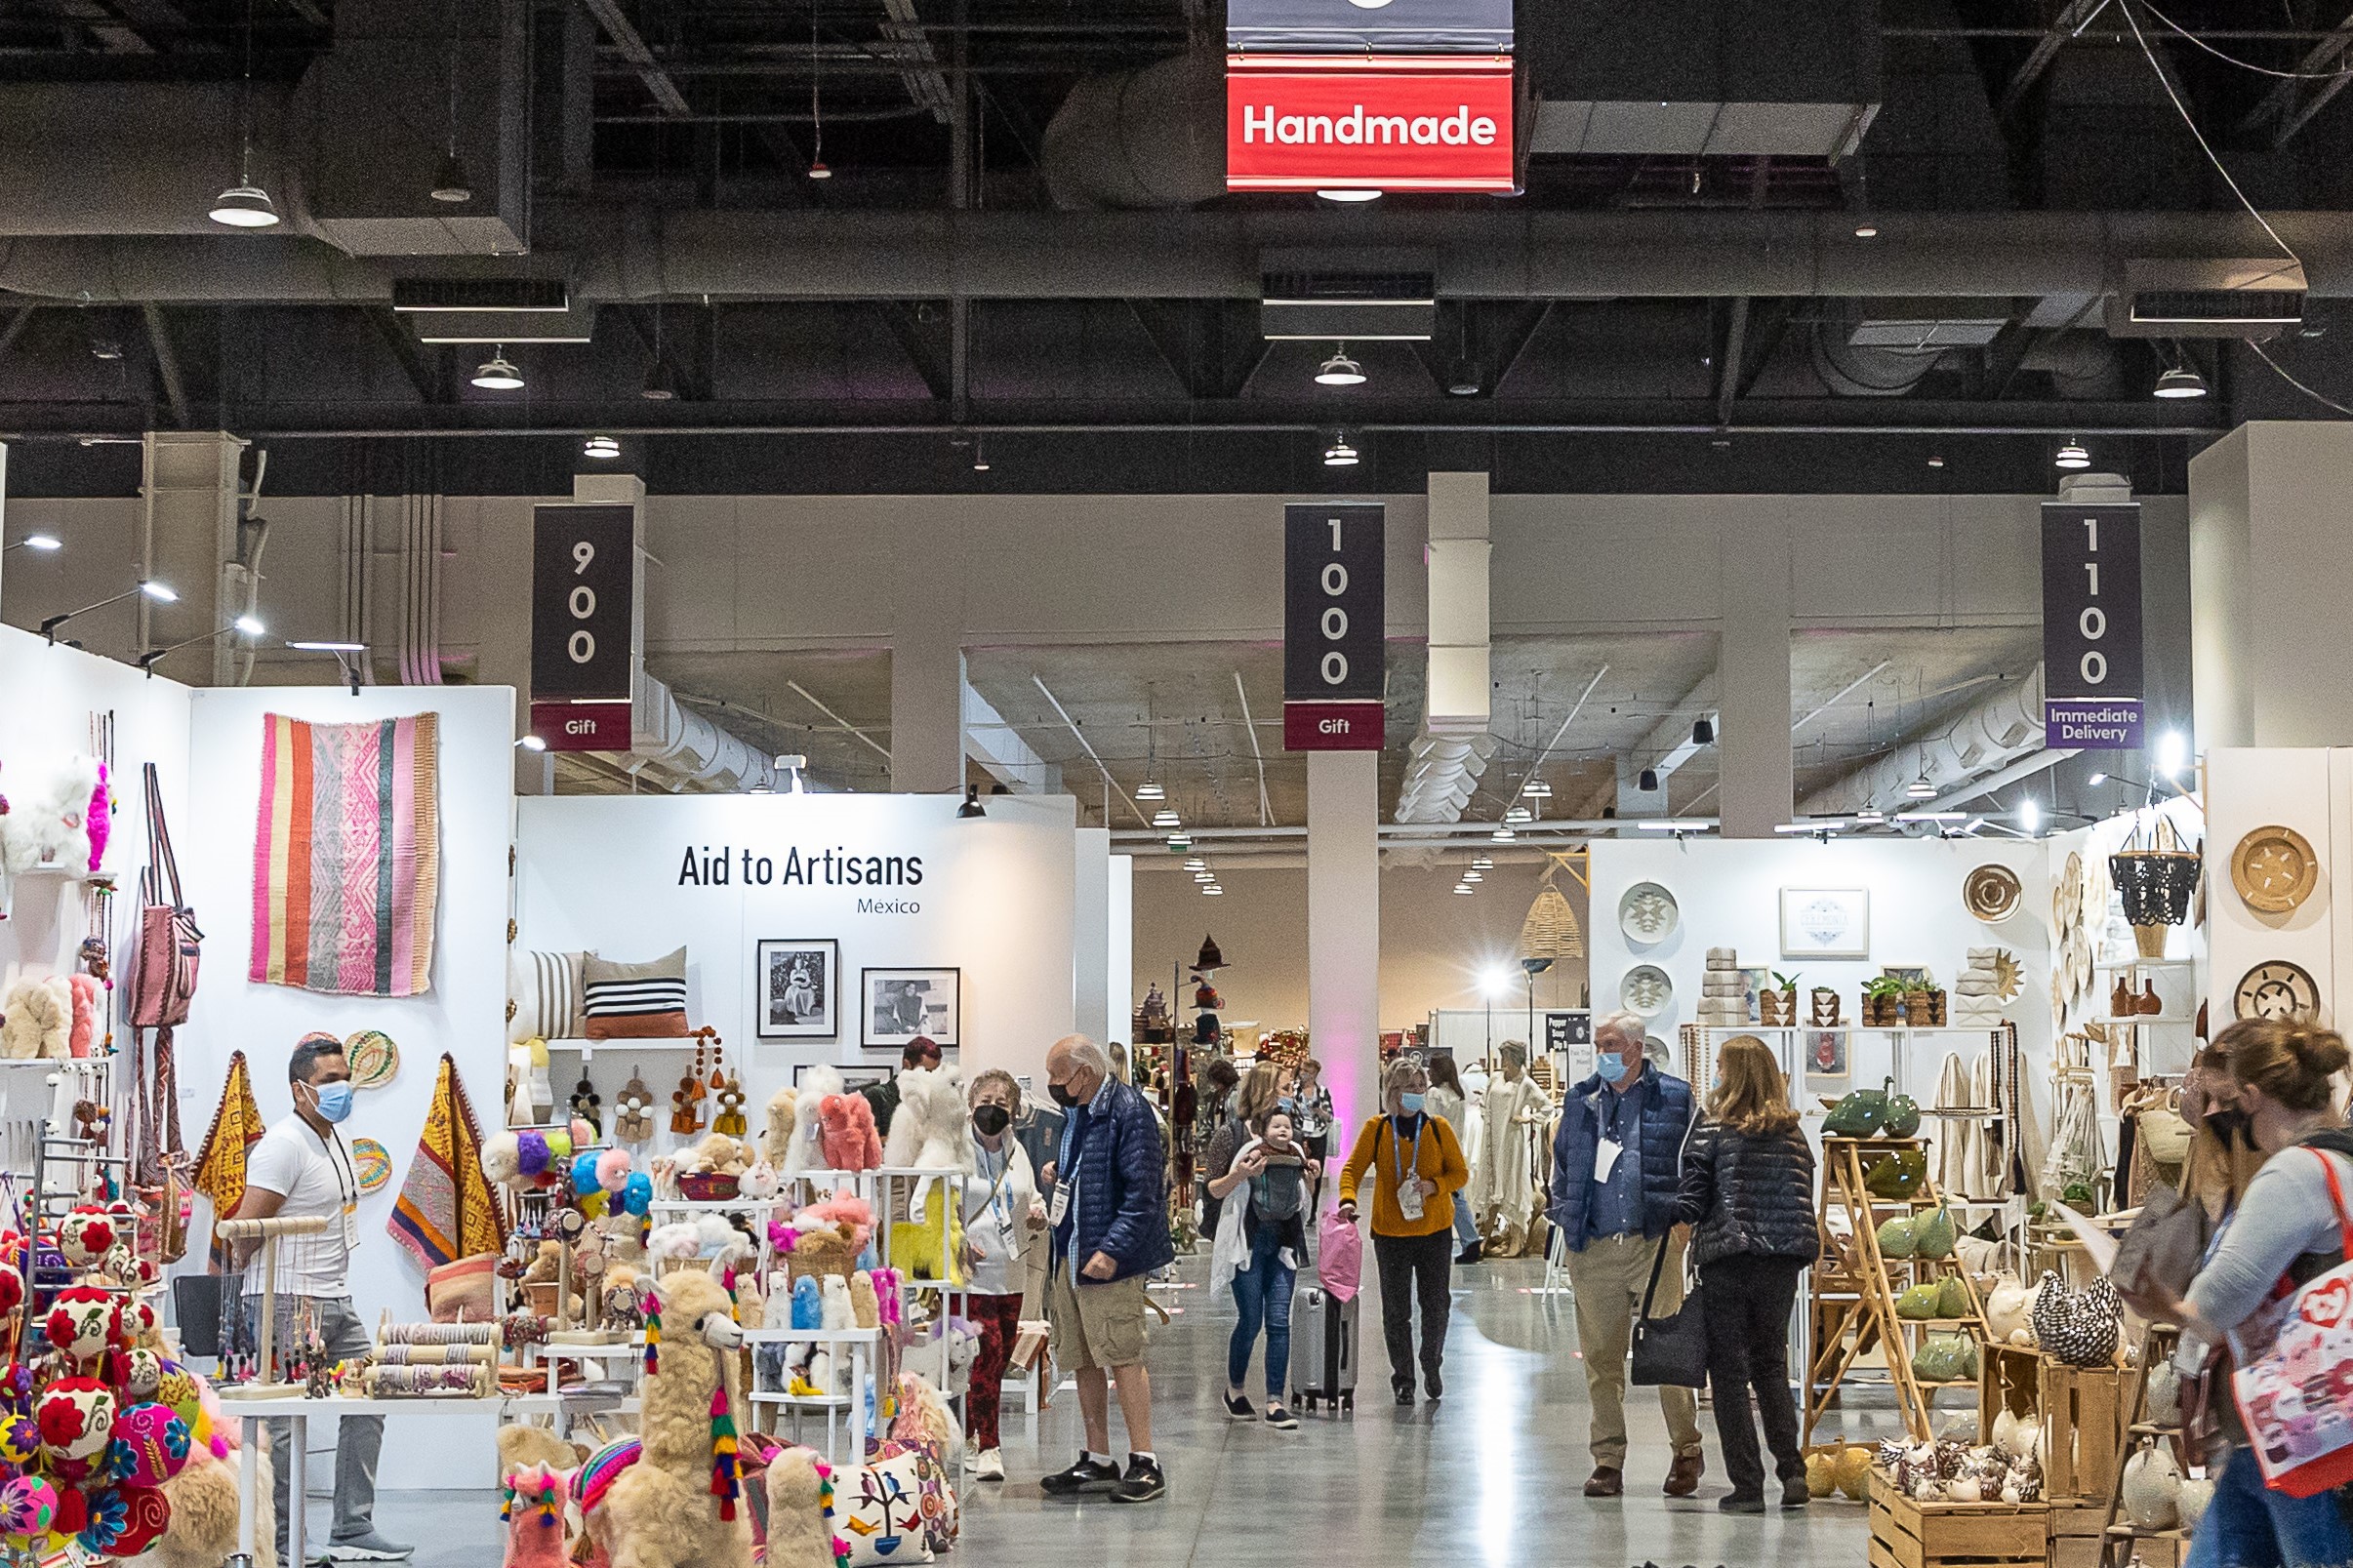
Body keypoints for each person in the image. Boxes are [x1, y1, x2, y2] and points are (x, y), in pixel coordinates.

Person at [2159, 1019, 2353, 1568]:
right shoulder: (2344, 1160)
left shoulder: (2295, 1172)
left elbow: (2220, 1298)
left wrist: (2164, 1303)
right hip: (2289, 1430)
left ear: (2252, 1098)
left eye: (2225, 1103)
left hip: (2299, 1428)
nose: (2220, 1120)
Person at [229, 1034, 410, 1562]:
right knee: (286, 1427)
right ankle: (286, 1547)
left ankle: (351, 1527)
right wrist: (246, 1298)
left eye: (344, 1077)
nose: (342, 1088)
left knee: (369, 1398)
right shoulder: (283, 1145)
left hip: (334, 1295)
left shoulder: (337, 1137)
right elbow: (244, 1228)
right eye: (330, 1080)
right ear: (300, 1089)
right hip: (284, 1300)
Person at [1548, 1011, 1705, 1499]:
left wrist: (1685, 1220)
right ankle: (1608, 1460)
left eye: (1610, 1044)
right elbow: (1561, 1159)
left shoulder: (1675, 1097)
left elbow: (1697, 1161)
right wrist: (1563, 1210)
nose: (1602, 1054)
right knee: (1601, 1358)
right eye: (1599, 1045)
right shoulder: (1580, 1099)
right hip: (1593, 1244)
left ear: (1637, 1048)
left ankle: (1687, 1451)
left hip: (1654, 1242)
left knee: (1669, 1351)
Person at [1676, 1035, 1816, 1513]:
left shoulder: (1713, 1125)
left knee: (1729, 1373)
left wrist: (1666, 1210)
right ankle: (1793, 1473)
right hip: (1781, 1262)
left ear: (1732, 1075)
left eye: (1718, 1066)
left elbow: (1693, 1197)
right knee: (1770, 1365)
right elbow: (1802, 1198)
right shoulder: (1793, 1132)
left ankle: (1748, 1485)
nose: (1713, 1074)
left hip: (1729, 1257)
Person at [1037, 1034, 1173, 1504]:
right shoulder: (1077, 1113)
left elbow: (1144, 1193)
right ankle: (1098, 1458)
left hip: (1109, 1262)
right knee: (1080, 1356)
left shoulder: (1130, 1112)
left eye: (1059, 1077)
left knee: (1122, 1353)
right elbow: (1088, 1178)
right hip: (1072, 1254)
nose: (1054, 1086)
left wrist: (1113, 1249)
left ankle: (1145, 1461)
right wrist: (1060, 1175)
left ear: (1085, 1073)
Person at [1338, 1057, 1470, 1405]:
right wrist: (1348, 1199)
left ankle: (1431, 1360)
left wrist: (1434, 1186)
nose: (1416, 1093)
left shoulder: (1438, 1127)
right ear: (1392, 1092)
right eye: (1409, 1087)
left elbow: (1460, 1174)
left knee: (1436, 1304)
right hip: (1391, 1234)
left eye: (1420, 1087)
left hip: (1435, 1231)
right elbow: (1352, 1169)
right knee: (1396, 1311)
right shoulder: (1377, 1129)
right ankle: (1404, 1378)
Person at [1206, 1095, 1318, 1429]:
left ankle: (1275, 1400)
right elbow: (1214, 1189)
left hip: (1284, 1245)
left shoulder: (1297, 1155)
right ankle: (1235, 1390)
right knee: (1251, 1320)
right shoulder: (1246, 1150)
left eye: (1288, 1125)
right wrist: (1240, 1175)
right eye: (1276, 1124)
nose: (1283, 1131)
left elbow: (1305, 1201)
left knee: (1280, 1322)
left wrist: (1312, 1177)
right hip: (1250, 1246)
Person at [957, 1069, 1045, 1482]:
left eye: (1002, 1102)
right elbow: (931, 1206)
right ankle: (991, 1446)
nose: (993, 1108)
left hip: (1011, 1269)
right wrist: (957, 1242)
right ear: (971, 1102)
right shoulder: (955, 1151)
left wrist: (1038, 1211)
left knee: (999, 1358)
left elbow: (1028, 1192)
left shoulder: (1017, 1151)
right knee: (987, 1354)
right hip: (970, 1274)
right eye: (986, 1099)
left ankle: (971, 1437)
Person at [1470, 1041, 1550, 1255]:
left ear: (1515, 1057)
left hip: (1512, 1142)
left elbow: (1547, 1107)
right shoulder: (1495, 1078)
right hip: (1491, 1141)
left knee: (1511, 1185)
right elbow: (1486, 1103)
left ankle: (1516, 1239)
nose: (1503, 1060)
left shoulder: (1525, 1083)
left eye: (1506, 1056)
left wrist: (1527, 1118)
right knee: (1491, 1185)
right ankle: (1485, 1237)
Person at [1424, 1055, 1481, 1265]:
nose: (1428, 1072)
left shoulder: (1434, 1094)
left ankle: (1468, 1240)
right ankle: (1470, 1240)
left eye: (1431, 1068)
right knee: (1457, 1196)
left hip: (1438, 1151)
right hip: (1456, 1148)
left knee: (1446, 1197)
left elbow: (1430, 1124)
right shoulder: (1458, 1094)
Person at [859, 1035, 942, 1140]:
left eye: (936, 1072)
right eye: (927, 1071)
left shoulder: (933, 1098)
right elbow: (865, 1142)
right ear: (907, 1064)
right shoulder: (876, 1095)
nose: (932, 1077)